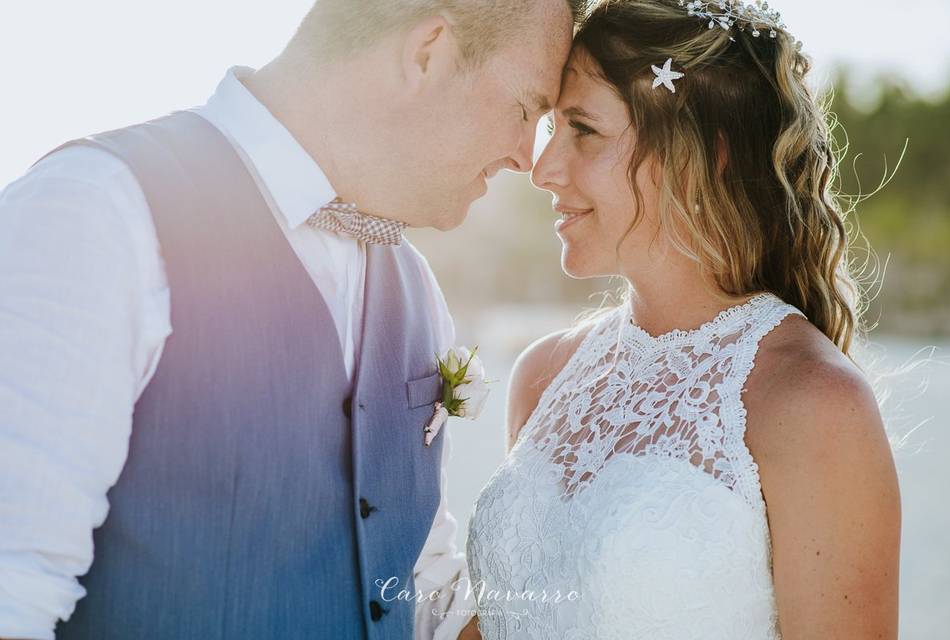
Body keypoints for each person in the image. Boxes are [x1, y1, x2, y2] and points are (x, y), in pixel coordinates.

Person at [0, 2, 579, 639]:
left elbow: (412, 590)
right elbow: (13, 588)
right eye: (527, 109)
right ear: (428, 52)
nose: (527, 158)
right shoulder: (94, 214)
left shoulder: (413, 288)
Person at [466, 0, 901, 638]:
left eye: (583, 129)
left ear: (706, 153)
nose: (543, 167)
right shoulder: (542, 375)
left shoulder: (811, 403)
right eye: (551, 127)